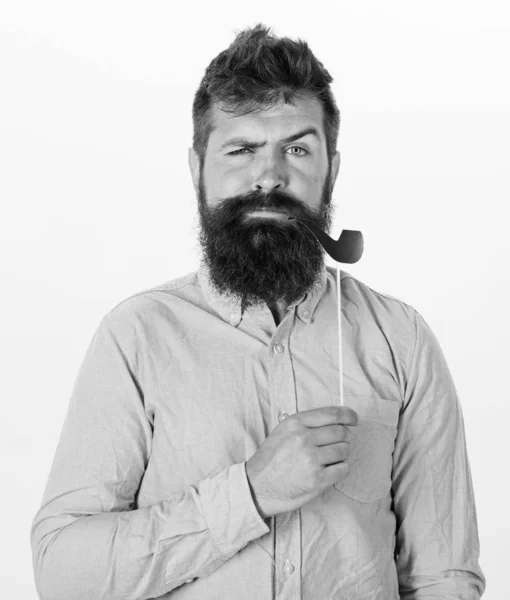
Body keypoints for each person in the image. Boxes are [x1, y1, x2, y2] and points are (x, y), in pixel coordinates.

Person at [30, 23, 486, 599]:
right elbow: (63, 573)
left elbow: (443, 578)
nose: (269, 176)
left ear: (332, 171)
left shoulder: (401, 340)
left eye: (296, 149)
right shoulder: (136, 337)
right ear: (197, 167)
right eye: (241, 150)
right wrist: (250, 493)